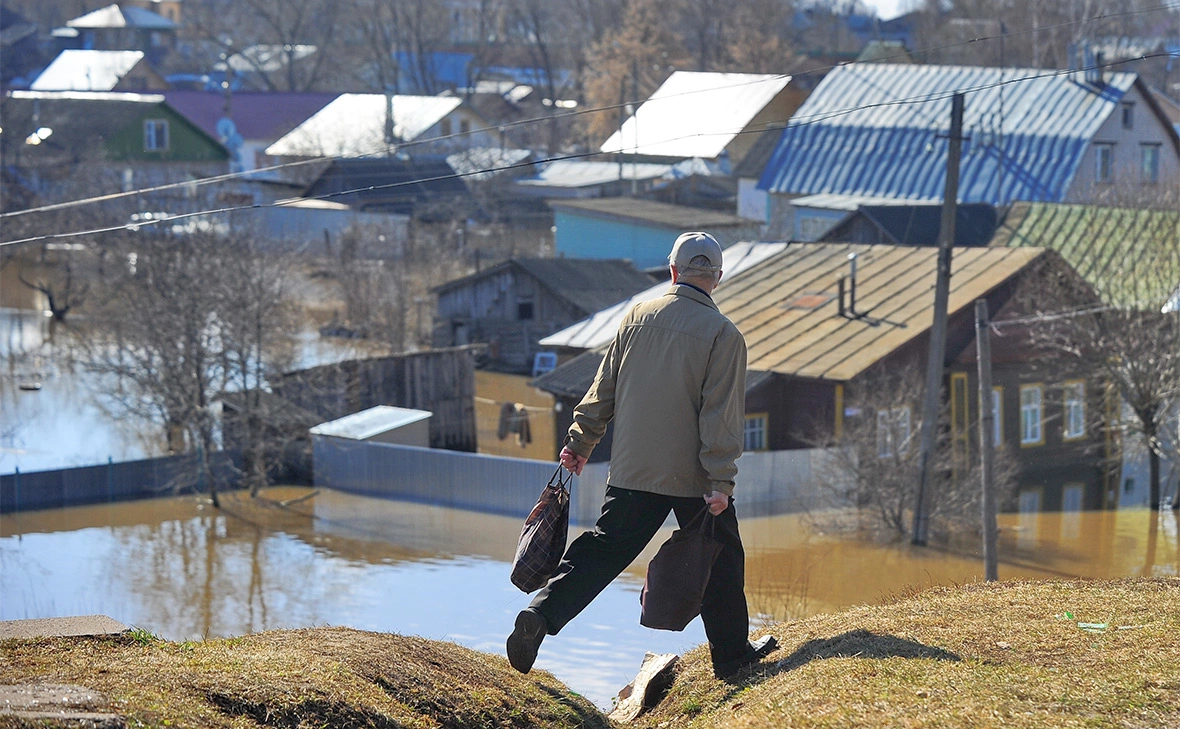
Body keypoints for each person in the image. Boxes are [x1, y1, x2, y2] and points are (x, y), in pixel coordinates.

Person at [506, 231, 777, 681]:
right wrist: (720, 482)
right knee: (720, 554)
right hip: (692, 476)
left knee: (606, 548)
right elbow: (720, 415)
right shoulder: (723, 335)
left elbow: (603, 389)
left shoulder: (636, 317)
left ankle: (542, 614)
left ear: (672, 272)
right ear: (718, 278)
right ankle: (731, 656)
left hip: (632, 467)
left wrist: (579, 442)